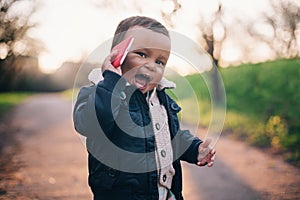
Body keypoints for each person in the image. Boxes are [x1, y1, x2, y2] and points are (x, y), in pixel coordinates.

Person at [73, 16, 216, 200]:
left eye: (160, 62)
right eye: (142, 54)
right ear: (117, 55)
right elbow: (91, 124)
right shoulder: (98, 92)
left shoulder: (162, 99)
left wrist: (195, 149)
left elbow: (172, 137)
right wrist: (111, 82)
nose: (151, 66)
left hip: (165, 194)